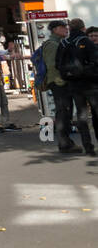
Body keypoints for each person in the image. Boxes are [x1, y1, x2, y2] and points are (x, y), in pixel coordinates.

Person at [42, 18, 89, 154]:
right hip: (59, 82)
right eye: (63, 27)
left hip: (62, 82)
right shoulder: (52, 44)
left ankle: (66, 142)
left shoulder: (59, 42)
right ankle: (65, 143)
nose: (66, 29)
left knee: (65, 112)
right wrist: (62, 79)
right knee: (63, 112)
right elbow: (52, 65)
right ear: (56, 30)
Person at [58, 18, 98, 154]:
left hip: (73, 85)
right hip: (91, 84)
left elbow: (58, 64)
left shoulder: (63, 43)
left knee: (81, 116)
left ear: (69, 28)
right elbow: (95, 61)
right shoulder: (86, 41)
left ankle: (88, 146)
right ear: (83, 28)